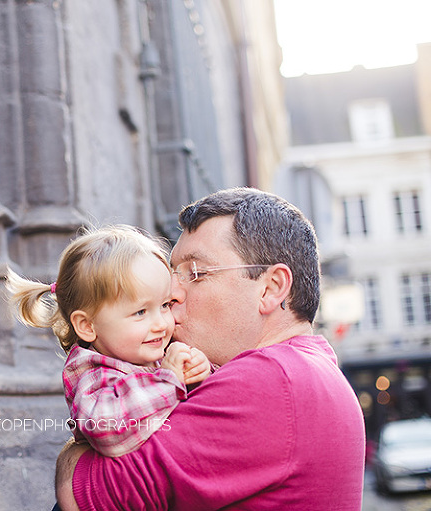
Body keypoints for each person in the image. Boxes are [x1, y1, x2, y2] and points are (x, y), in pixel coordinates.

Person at [55, 188, 366, 510]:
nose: (172, 292)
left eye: (196, 273)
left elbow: (88, 494)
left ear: (271, 289)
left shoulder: (270, 380)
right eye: (173, 273)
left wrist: (73, 453)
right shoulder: (307, 368)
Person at [6, 225, 211, 457]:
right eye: (140, 312)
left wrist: (197, 373)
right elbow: (108, 431)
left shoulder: (147, 353)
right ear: (87, 325)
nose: (161, 324)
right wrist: (170, 379)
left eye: (164, 305)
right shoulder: (94, 374)